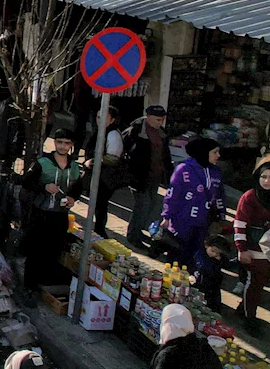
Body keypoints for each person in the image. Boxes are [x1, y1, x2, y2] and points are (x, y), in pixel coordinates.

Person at [20, 129, 85, 294]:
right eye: (60, 142)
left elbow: (77, 187)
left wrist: (72, 198)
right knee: (35, 250)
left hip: (60, 215)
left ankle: (44, 281)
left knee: (54, 249)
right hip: (40, 213)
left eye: (67, 143)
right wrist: (43, 186)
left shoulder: (75, 167)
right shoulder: (43, 162)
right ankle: (29, 286)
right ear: (55, 143)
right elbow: (27, 182)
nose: (63, 146)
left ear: (71, 146)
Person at [161, 137, 227, 267]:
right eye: (215, 152)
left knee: (196, 254)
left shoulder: (215, 172)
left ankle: (191, 279)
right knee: (178, 253)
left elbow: (220, 195)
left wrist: (221, 215)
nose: (218, 156)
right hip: (183, 221)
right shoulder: (184, 169)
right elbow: (172, 195)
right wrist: (166, 216)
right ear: (204, 152)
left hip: (204, 222)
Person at [234, 161, 270, 335]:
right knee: (255, 285)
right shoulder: (250, 197)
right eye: (263, 177)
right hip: (254, 249)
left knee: (259, 285)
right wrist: (241, 249)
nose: (267, 181)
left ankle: (242, 309)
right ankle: (249, 319)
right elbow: (239, 224)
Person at [122, 105, 172, 250]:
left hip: (155, 176)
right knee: (142, 206)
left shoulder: (161, 133)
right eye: (157, 119)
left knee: (151, 204)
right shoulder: (135, 131)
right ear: (148, 117)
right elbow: (123, 151)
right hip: (139, 176)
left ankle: (138, 231)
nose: (159, 122)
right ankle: (133, 236)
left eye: (162, 120)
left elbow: (165, 155)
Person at [83, 105, 125, 239]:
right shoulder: (100, 131)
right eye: (98, 117)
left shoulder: (113, 134)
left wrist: (93, 161)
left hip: (106, 177)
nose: (99, 120)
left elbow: (113, 158)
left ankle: (100, 232)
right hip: (95, 175)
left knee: (100, 205)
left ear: (112, 120)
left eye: (103, 117)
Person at [193, 234, 229, 312]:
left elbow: (227, 264)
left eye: (218, 253)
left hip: (214, 285)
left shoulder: (220, 258)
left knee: (213, 304)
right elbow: (203, 267)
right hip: (200, 282)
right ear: (206, 246)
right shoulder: (201, 254)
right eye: (212, 251)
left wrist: (221, 260)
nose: (214, 254)